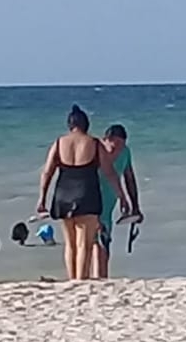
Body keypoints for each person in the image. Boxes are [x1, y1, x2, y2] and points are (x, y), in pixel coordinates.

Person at [38, 105, 127, 281]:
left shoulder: (59, 143)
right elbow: (110, 173)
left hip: (63, 195)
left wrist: (42, 199)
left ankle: (72, 280)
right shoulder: (94, 143)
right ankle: (81, 281)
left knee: (70, 244)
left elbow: (47, 172)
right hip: (87, 195)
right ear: (87, 125)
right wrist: (122, 197)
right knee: (84, 245)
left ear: (70, 125)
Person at [93, 123, 143, 279]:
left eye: (121, 147)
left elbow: (129, 178)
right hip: (91, 204)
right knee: (96, 243)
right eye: (114, 148)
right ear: (105, 140)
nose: (117, 152)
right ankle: (93, 279)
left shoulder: (125, 153)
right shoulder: (95, 153)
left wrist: (135, 207)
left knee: (105, 243)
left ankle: (101, 278)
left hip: (108, 207)